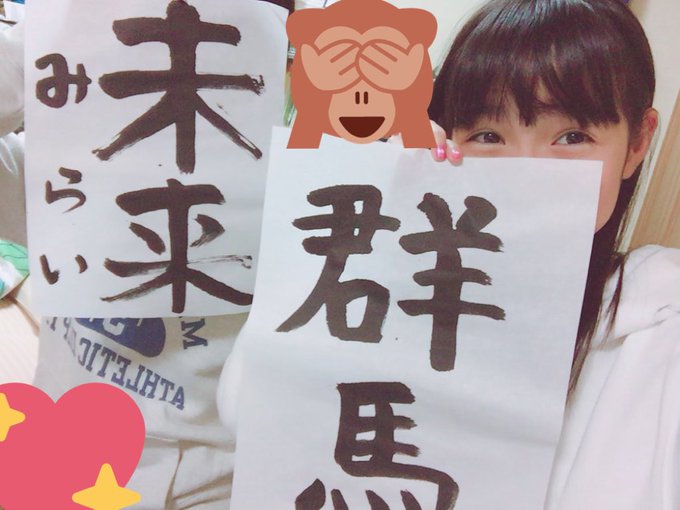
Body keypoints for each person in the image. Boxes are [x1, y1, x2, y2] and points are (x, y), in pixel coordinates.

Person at [0, 1, 293, 508]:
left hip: (229, 469)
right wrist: (49, 38)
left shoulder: (294, 178)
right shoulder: (59, 176)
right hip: (66, 442)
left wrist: (415, 166)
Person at [425, 0, 679, 508]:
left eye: (572, 136)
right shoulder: (399, 289)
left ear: (636, 144)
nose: (526, 175)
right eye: (487, 135)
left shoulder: (660, 325)